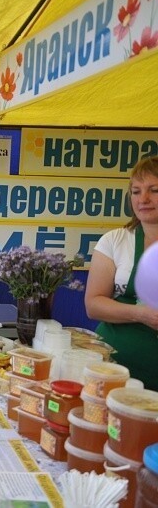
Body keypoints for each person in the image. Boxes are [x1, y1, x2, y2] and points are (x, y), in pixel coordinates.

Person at [85, 156, 158, 390]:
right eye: (136, 192)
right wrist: (142, 314)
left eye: (154, 190)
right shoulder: (115, 241)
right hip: (112, 368)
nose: (143, 199)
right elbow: (94, 305)